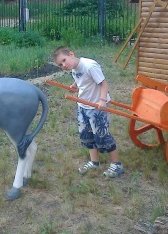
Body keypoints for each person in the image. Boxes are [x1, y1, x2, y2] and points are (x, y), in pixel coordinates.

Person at [52, 46, 124, 178]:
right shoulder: (74, 68)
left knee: (102, 135)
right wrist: (75, 85)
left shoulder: (90, 66)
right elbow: (81, 78)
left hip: (97, 106)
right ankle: (94, 162)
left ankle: (117, 164)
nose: (63, 65)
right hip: (83, 105)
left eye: (64, 60)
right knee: (87, 134)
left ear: (71, 54)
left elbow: (103, 83)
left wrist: (102, 100)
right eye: (60, 65)